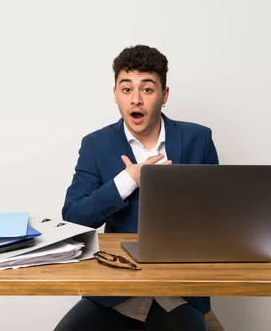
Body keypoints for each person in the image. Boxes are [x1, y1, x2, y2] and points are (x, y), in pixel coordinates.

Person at [54, 44, 219, 331]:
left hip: (176, 291)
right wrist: (128, 181)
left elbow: (220, 217)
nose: (136, 100)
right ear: (115, 94)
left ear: (164, 95)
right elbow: (74, 218)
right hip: (117, 289)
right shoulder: (95, 145)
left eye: (147, 89)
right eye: (127, 89)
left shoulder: (198, 139)